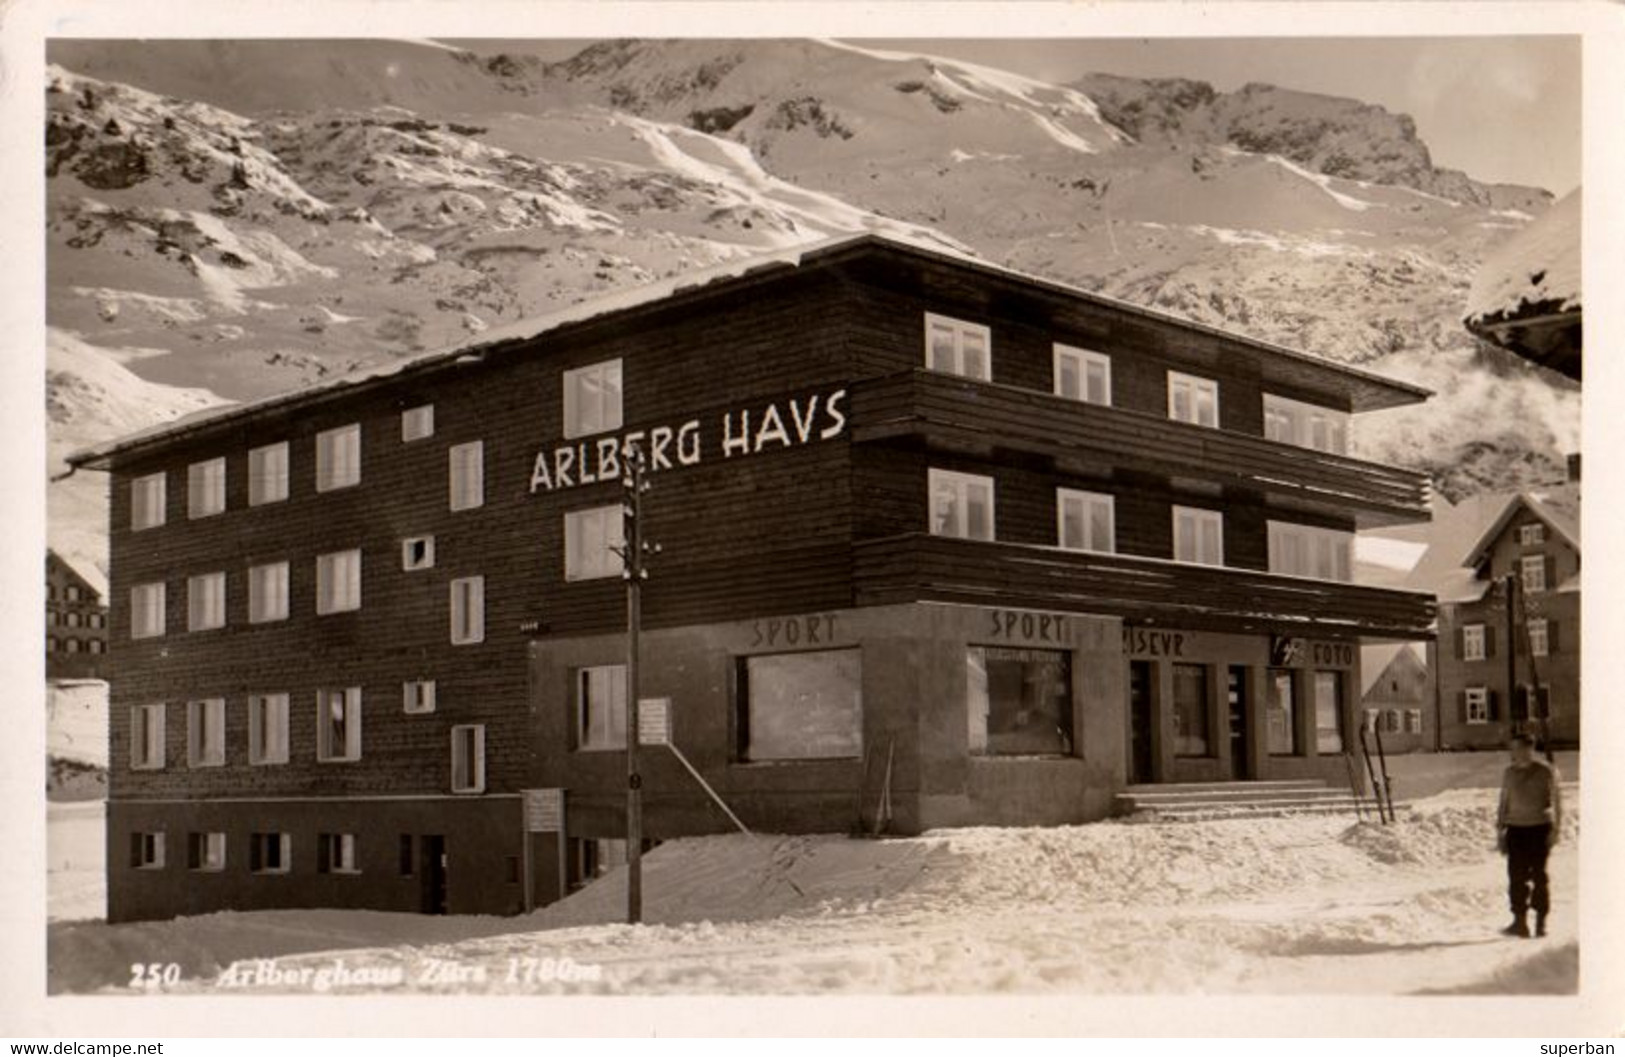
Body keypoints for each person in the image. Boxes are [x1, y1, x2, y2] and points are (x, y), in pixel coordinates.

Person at [1495, 733, 1562, 938]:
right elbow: (1503, 801)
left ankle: (1541, 922)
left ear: (1530, 749)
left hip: (1539, 828)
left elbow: (1558, 802)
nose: (1514, 753)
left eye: (1518, 748)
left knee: (1539, 876)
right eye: (1512, 748)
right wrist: (1500, 831)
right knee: (1516, 877)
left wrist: (1555, 830)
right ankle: (1520, 922)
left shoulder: (1546, 771)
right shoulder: (1509, 773)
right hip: (1515, 830)